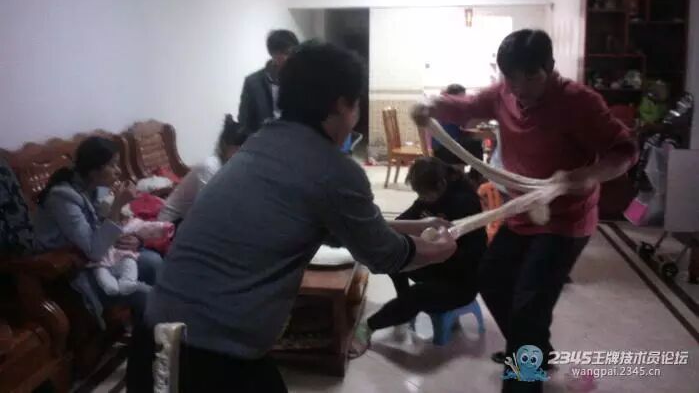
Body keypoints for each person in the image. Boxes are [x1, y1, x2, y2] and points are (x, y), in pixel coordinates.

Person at [141, 43, 457, 392]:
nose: (355, 117)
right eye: (356, 106)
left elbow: (336, 227)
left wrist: (417, 227)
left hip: (155, 338)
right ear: (342, 104)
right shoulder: (333, 169)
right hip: (209, 356)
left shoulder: (261, 142)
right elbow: (385, 254)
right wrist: (442, 249)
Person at [412, 29, 637, 393]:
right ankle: (535, 351)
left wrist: (589, 175)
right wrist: (433, 106)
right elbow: (468, 105)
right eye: (511, 78)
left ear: (550, 67)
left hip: (565, 220)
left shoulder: (580, 103)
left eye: (530, 77)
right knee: (491, 280)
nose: (519, 88)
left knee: (529, 306)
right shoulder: (504, 92)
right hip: (522, 212)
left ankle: (524, 378)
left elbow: (625, 150)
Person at [355, 157, 487, 353]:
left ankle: (369, 327)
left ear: (441, 184)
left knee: (418, 295)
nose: (421, 198)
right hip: (438, 265)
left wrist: (430, 252)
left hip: (462, 278)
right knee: (395, 255)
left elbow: (469, 254)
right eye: (419, 194)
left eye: (424, 194)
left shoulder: (465, 203)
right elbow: (408, 217)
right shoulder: (433, 193)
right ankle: (403, 305)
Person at [32, 137, 162, 328]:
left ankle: (144, 328)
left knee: (154, 261)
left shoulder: (95, 187)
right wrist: (118, 204)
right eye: (112, 165)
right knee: (148, 295)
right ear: (94, 171)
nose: (118, 170)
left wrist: (135, 239)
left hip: (101, 258)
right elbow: (93, 250)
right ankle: (149, 337)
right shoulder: (62, 197)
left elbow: (108, 227)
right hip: (72, 271)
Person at [158, 114, 248, 224]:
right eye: (239, 149)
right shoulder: (210, 167)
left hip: (192, 218)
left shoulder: (230, 167)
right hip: (172, 222)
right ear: (225, 145)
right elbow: (208, 209)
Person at [237, 29, 299, 134]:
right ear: (273, 53)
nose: (290, 58)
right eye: (286, 53)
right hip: (262, 140)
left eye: (293, 53)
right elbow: (244, 121)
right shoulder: (253, 83)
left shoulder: (299, 80)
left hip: (293, 139)